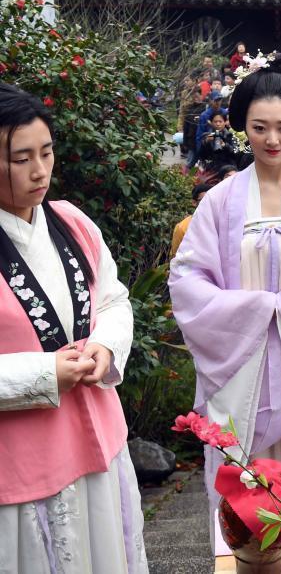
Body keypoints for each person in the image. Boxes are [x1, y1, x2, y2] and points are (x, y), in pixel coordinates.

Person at [169, 53, 281, 511]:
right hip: (242, 375)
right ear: (242, 127)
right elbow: (189, 280)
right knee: (246, 499)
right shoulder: (220, 201)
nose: (272, 139)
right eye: (259, 127)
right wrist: (261, 310)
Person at [0, 83, 146, 572]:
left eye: (46, 152)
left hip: (100, 443)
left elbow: (113, 298)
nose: (40, 170)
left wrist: (105, 345)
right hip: (22, 464)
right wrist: (44, 373)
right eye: (21, 159)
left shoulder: (71, 221)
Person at [171, 183, 212, 257]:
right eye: (204, 200)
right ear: (194, 202)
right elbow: (176, 257)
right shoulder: (183, 227)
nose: (209, 203)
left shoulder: (221, 222)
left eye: (211, 199)